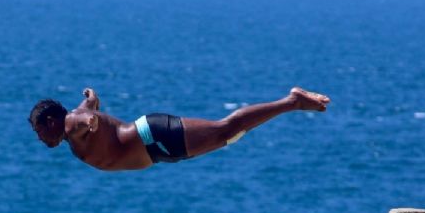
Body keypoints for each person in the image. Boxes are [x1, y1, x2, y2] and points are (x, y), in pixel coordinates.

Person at [28, 87, 329, 171]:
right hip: (155, 148)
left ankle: (292, 101)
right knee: (229, 136)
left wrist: (90, 121)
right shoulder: (75, 115)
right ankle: (291, 103)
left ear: (52, 121)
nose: (40, 139)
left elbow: (85, 121)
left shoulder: (71, 124)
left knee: (227, 130)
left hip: (152, 138)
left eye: (40, 132)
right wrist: (91, 97)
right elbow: (91, 106)